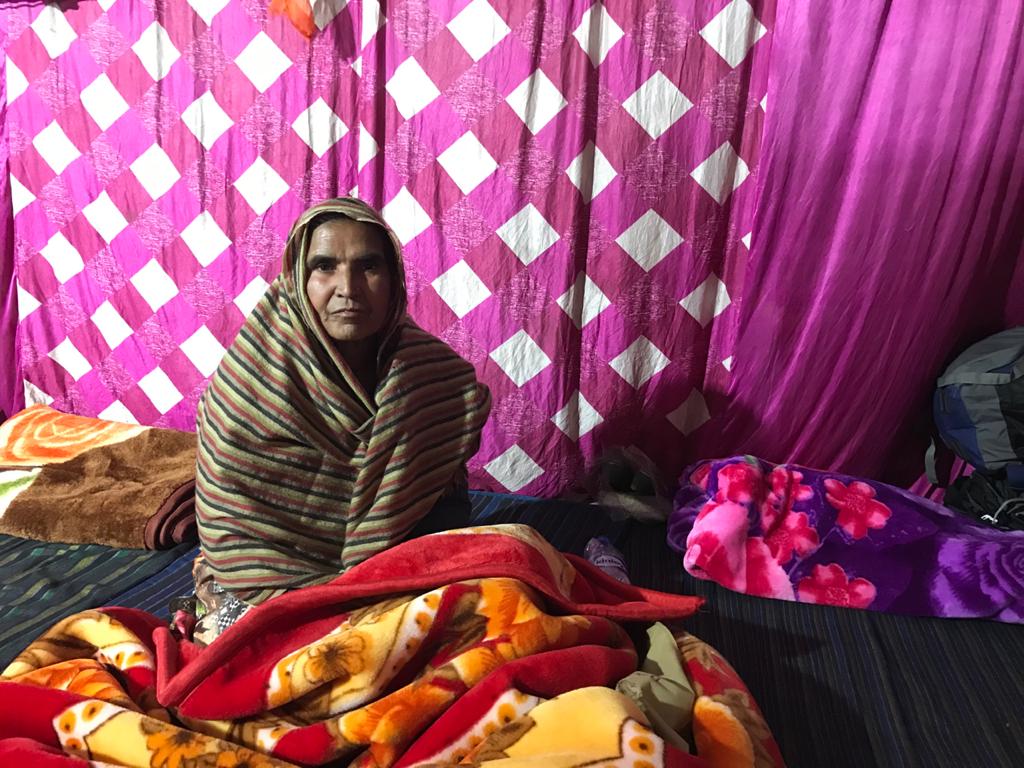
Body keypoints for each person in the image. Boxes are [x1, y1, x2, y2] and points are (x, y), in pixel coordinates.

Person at [191, 198, 490, 640]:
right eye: (324, 266)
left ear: (394, 279)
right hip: (273, 579)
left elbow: (444, 511)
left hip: (405, 572)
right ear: (297, 278)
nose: (348, 288)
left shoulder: (435, 377)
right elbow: (233, 518)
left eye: (368, 266)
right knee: (261, 649)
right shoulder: (248, 386)